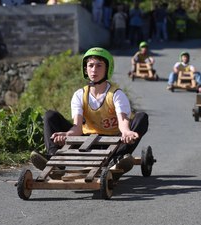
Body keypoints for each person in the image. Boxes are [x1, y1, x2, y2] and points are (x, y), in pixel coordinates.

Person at [30, 47, 149, 177]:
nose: (94, 70)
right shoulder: (79, 95)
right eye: (90, 65)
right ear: (85, 69)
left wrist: (126, 132)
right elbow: (77, 127)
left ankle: (118, 159)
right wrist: (66, 134)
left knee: (141, 117)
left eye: (99, 66)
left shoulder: (116, 94)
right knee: (50, 116)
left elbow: (123, 120)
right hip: (85, 142)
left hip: (113, 143)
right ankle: (55, 162)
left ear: (107, 69)